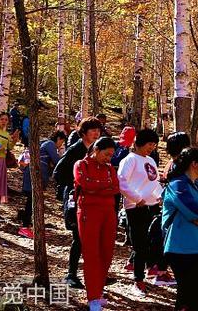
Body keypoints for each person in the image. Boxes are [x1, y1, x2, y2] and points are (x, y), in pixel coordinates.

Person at [163, 147, 198, 311]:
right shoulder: (177, 185)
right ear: (194, 164)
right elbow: (193, 210)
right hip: (182, 247)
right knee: (187, 297)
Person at [54, 117, 104, 289]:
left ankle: (95, 273)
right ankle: (71, 274)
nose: (97, 133)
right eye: (93, 130)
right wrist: (77, 184)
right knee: (79, 237)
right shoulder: (76, 149)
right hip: (76, 198)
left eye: (98, 130)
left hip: (94, 200)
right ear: (84, 132)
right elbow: (59, 172)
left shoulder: (97, 149)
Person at [73, 136, 120, 311]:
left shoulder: (109, 169)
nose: (109, 159)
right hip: (88, 212)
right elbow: (84, 183)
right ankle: (92, 296)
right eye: (106, 155)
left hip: (108, 213)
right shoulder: (81, 165)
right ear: (96, 150)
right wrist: (103, 187)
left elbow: (115, 187)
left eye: (111, 156)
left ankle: (98, 292)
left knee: (106, 252)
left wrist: (97, 187)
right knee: (92, 253)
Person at [118, 128, 167, 292]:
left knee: (153, 241)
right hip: (135, 207)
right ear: (139, 143)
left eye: (154, 144)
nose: (152, 147)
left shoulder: (151, 161)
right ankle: (138, 279)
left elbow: (154, 183)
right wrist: (137, 199)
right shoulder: (130, 160)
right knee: (139, 245)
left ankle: (152, 269)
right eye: (149, 144)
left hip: (151, 207)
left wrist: (160, 196)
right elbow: (122, 182)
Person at [19, 130, 66, 237]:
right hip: (35, 175)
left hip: (38, 175)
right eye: (61, 142)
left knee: (33, 201)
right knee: (31, 200)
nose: (60, 145)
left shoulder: (44, 145)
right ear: (58, 138)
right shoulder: (50, 144)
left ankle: (31, 225)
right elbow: (57, 161)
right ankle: (24, 226)